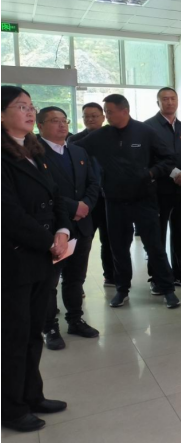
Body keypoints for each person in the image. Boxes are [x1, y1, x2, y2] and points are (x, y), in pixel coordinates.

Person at [1, 86, 70, 433]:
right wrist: (48, 241)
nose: (30, 112)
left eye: (31, 106)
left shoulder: (34, 150)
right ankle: (11, 408)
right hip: (15, 259)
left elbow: (56, 197)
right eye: (21, 106)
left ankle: (32, 395)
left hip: (43, 256)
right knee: (14, 335)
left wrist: (62, 231)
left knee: (32, 332)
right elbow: (9, 213)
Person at [75, 94, 181, 309]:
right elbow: (74, 148)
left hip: (144, 199)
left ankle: (167, 289)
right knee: (118, 248)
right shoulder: (101, 135)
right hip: (114, 201)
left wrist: (151, 173)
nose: (106, 116)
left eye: (109, 112)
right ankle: (122, 289)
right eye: (105, 112)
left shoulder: (145, 132)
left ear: (124, 111)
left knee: (154, 246)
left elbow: (168, 158)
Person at [36, 107, 101, 350]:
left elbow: (93, 182)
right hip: (54, 227)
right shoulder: (34, 153)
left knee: (76, 278)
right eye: (55, 121)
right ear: (40, 125)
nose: (62, 125)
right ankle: (49, 327)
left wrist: (86, 205)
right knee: (49, 281)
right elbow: (42, 190)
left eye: (64, 120)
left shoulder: (77, 150)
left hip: (82, 224)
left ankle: (75, 319)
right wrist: (74, 206)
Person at [144, 87, 181, 288]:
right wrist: (175, 174)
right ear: (158, 103)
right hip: (159, 188)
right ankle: (157, 276)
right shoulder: (148, 127)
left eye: (173, 98)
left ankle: (179, 272)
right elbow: (151, 157)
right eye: (165, 99)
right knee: (157, 233)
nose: (169, 102)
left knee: (179, 231)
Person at [69, 103, 113, 285]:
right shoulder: (74, 140)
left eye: (94, 116)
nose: (90, 119)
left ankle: (111, 276)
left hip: (109, 197)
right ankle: (75, 281)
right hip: (86, 198)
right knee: (82, 241)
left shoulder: (113, 136)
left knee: (109, 239)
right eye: (86, 116)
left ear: (103, 117)